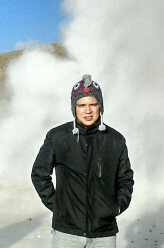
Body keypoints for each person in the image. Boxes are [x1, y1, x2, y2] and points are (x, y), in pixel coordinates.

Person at [31, 74, 134, 247]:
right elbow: (39, 174)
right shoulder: (57, 137)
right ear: (74, 108)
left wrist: (117, 207)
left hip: (104, 233)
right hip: (67, 233)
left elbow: (125, 179)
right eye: (81, 105)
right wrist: (58, 207)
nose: (88, 111)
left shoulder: (116, 140)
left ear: (100, 106)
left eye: (93, 104)